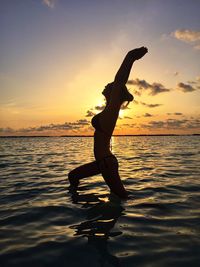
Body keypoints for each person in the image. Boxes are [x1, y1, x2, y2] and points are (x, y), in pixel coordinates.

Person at [68, 47, 148, 198]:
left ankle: (157, 209)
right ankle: (78, 204)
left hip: (106, 163)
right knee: (73, 176)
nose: (106, 85)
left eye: (110, 86)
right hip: (102, 162)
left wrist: (130, 57)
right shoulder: (107, 111)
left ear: (116, 93)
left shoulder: (112, 110)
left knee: (123, 197)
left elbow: (119, 81)